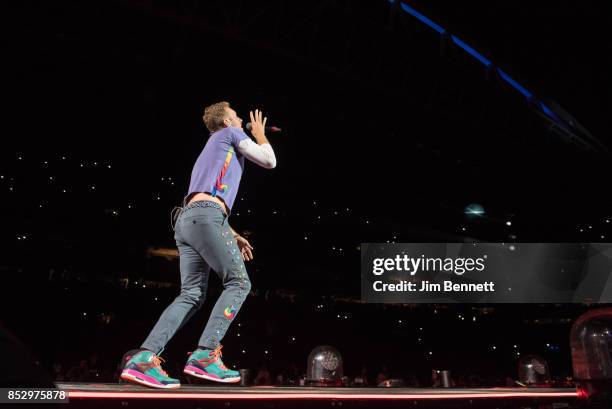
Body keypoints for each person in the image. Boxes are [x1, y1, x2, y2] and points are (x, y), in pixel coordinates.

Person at [120, 102, 277, 389]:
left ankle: (143, 358)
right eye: (238, 115)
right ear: (228, 121)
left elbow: (203, 197)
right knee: (239, 283)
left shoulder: (210, 148)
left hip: (188, 220)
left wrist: (231, 231)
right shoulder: (230, 134)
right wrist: (260, 134)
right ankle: (205, 355)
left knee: (191, 294)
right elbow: (269, 161)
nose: (242, 118)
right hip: (206, 217)